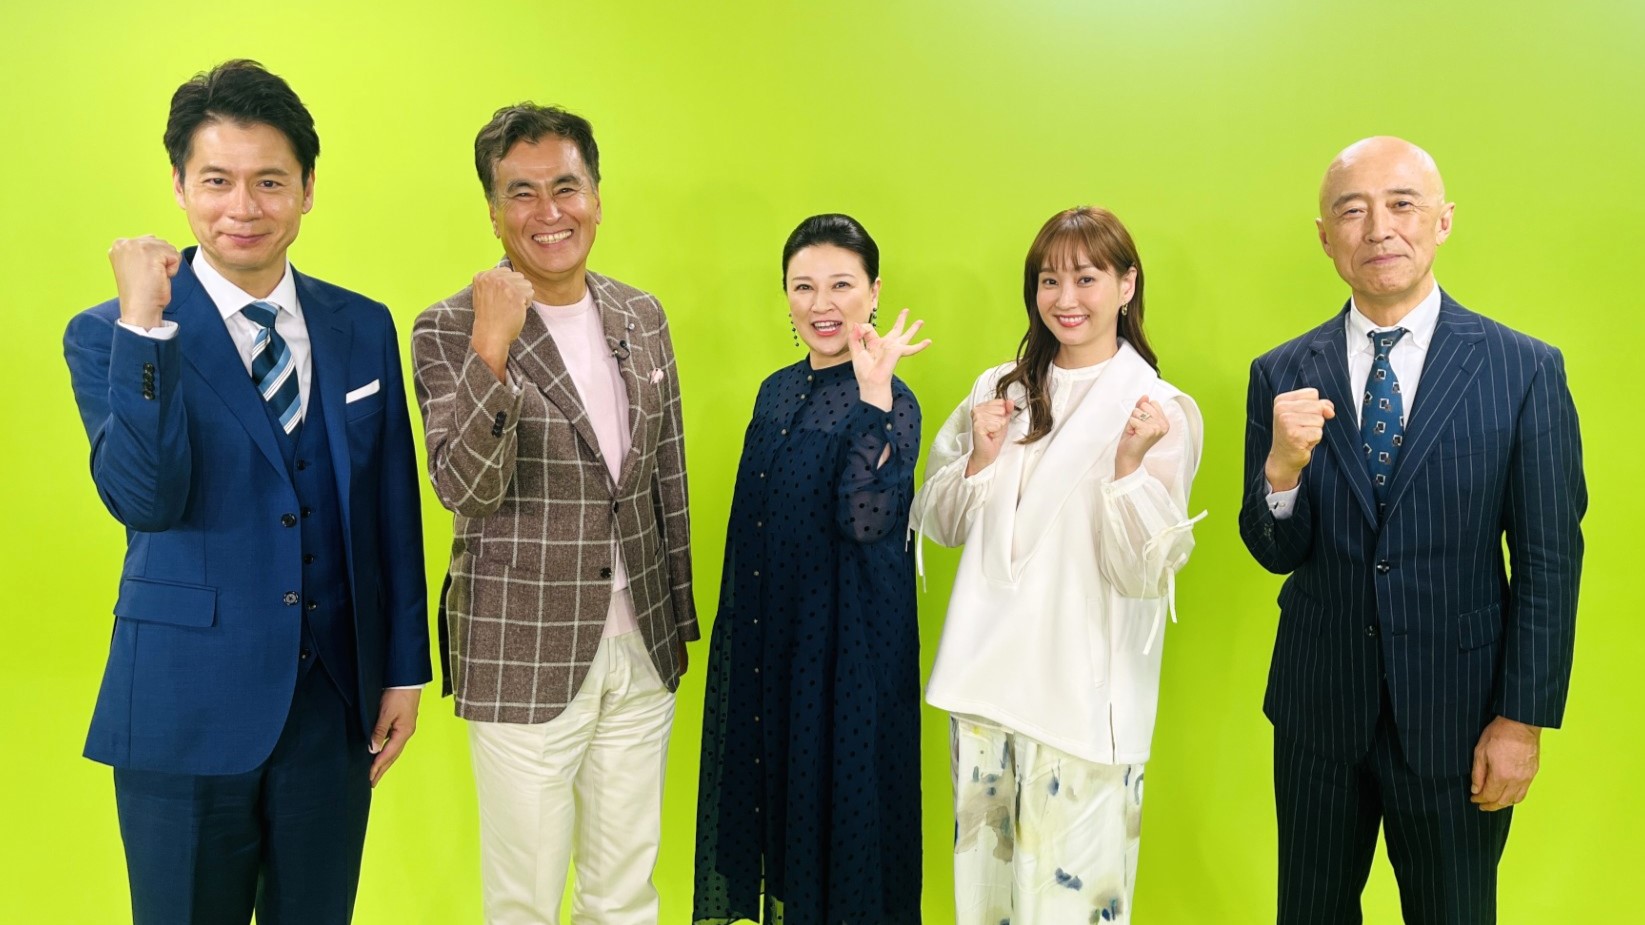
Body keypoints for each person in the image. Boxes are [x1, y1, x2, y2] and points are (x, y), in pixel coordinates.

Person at [61, 59, 430, 924]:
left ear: (307, 189)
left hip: (332, 703)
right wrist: (144, 328)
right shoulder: (110, 333)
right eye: (217, 180)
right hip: (182, 703)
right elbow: (145, 498)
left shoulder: (361, 324)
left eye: (269, 181)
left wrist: (404, 670)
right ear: (179, 187)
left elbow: (391, 509)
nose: (244, 207)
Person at [1238, 136, 1586, 923]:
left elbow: (1548, 559)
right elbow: (1272, 549)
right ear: (1324, 237)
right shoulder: (1280, 373)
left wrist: (1521, 719)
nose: (1378, 229)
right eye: (1351, 211)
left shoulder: (1523, 368)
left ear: (1442, 220)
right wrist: (1281, 469)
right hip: (1318, 714)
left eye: (1401, 204)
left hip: (1459, 718)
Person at [411, 102, 696, 925]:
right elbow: (465, 487)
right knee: (524, 901)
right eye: (522, 192)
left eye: (565, 187)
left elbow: (666, 475)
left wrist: (675, 624)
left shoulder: (641, 314)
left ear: (596, 197)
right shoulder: (448, 327)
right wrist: (492, 348)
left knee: (624, 893)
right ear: (493, 211)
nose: (548, 212)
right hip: (522, 652)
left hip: (640, 648)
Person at [913, 206, 1204, 925]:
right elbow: (938, 525)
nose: (1065, 298)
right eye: (1049, 280)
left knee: (1073, 904)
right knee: (984, 902)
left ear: (1126, 285)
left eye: (1086, 277)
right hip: (984, 685)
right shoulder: (1001, 389)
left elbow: (1146, 574)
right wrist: (980, 458)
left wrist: (1129, 469)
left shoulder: (1159, 410)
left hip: (1082, 699)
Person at [693, 214, 929, 925]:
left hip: (850, 652)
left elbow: (866, 519)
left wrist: (873, 396)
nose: (821, 304)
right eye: (803, 286)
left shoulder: (894, 401)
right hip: (774, 644)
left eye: (841, 285)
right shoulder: (774, 390)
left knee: (845, 821)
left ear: (874, 292)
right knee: (781, 821)